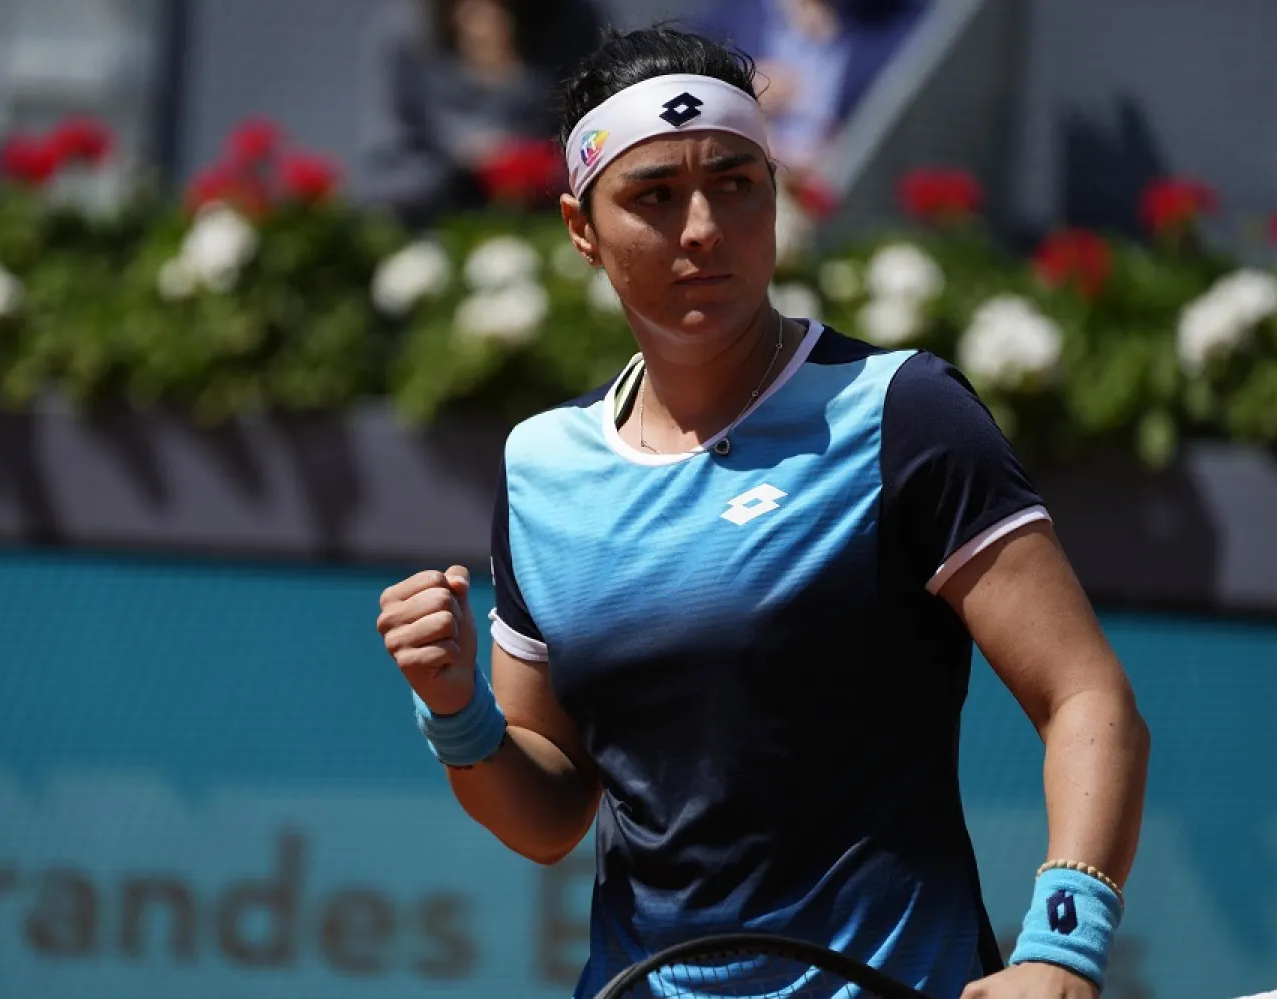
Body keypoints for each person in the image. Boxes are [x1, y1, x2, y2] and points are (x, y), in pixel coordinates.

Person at [376, 25, 1150, 999]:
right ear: (582, 228)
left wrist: (1060, 950)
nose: (702, 226)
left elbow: (1087, 698)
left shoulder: (902, 413)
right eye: (654, 196)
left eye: (735, 182)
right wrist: (456, 710)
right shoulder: (541, 467)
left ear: (774, 194)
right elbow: (549, 811)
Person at [354, 0, 605, 227]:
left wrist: (534, 168)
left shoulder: (573, 22)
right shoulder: (408, 33)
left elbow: (597, 152)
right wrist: (463, 167)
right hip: (437, 233)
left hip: (551, 227)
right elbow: (381, 179)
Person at [694, 0, 928, 170]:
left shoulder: (884, 24)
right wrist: (737, 88)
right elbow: (676, 87)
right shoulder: (730, 15)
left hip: (832, 194)